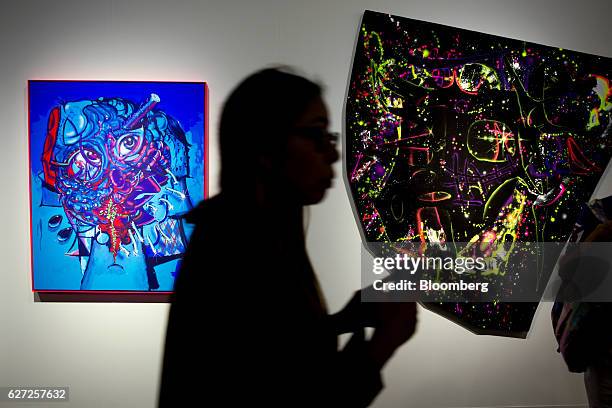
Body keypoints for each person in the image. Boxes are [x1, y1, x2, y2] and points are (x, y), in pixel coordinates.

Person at [158, 67, 418, 407]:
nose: (333, 153)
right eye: (315, 135)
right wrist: (382, 344)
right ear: (265, 148)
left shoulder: (247, 233)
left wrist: (339, 322)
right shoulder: (238, 250)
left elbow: (269, 354)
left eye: (330, 137)